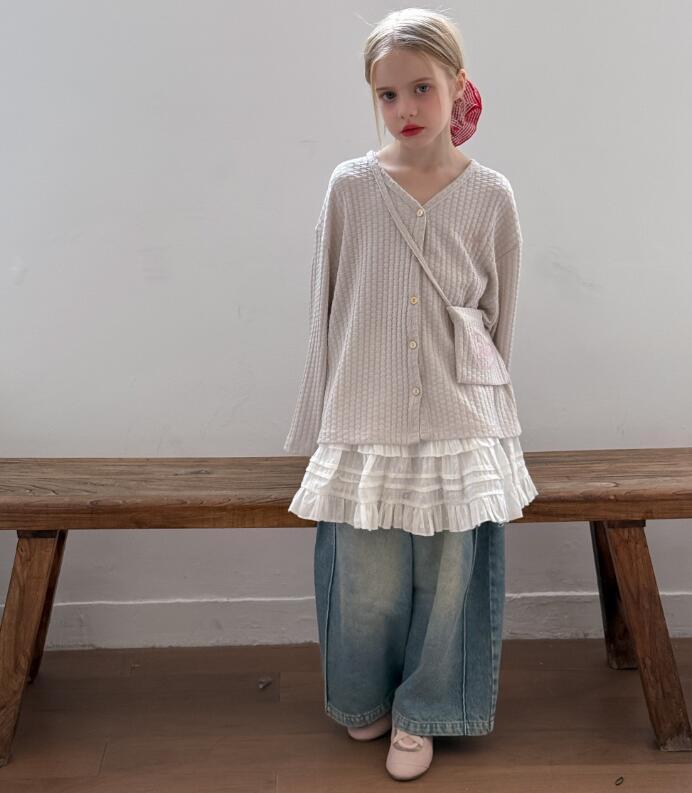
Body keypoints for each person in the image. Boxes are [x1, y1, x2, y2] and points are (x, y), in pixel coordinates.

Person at [283, 7, 538, 782]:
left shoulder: (491, 195)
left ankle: (426, 709)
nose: (405, 109)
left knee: (450, 578)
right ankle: (364, 693)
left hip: (462, 416)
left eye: (422, 88)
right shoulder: (351, 188)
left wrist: (494, 424)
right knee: (366, 578)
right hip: (367, 413)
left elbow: (501, 319)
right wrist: (324, 419)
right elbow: (325, 309)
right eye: (387, 95)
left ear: (458, 85)